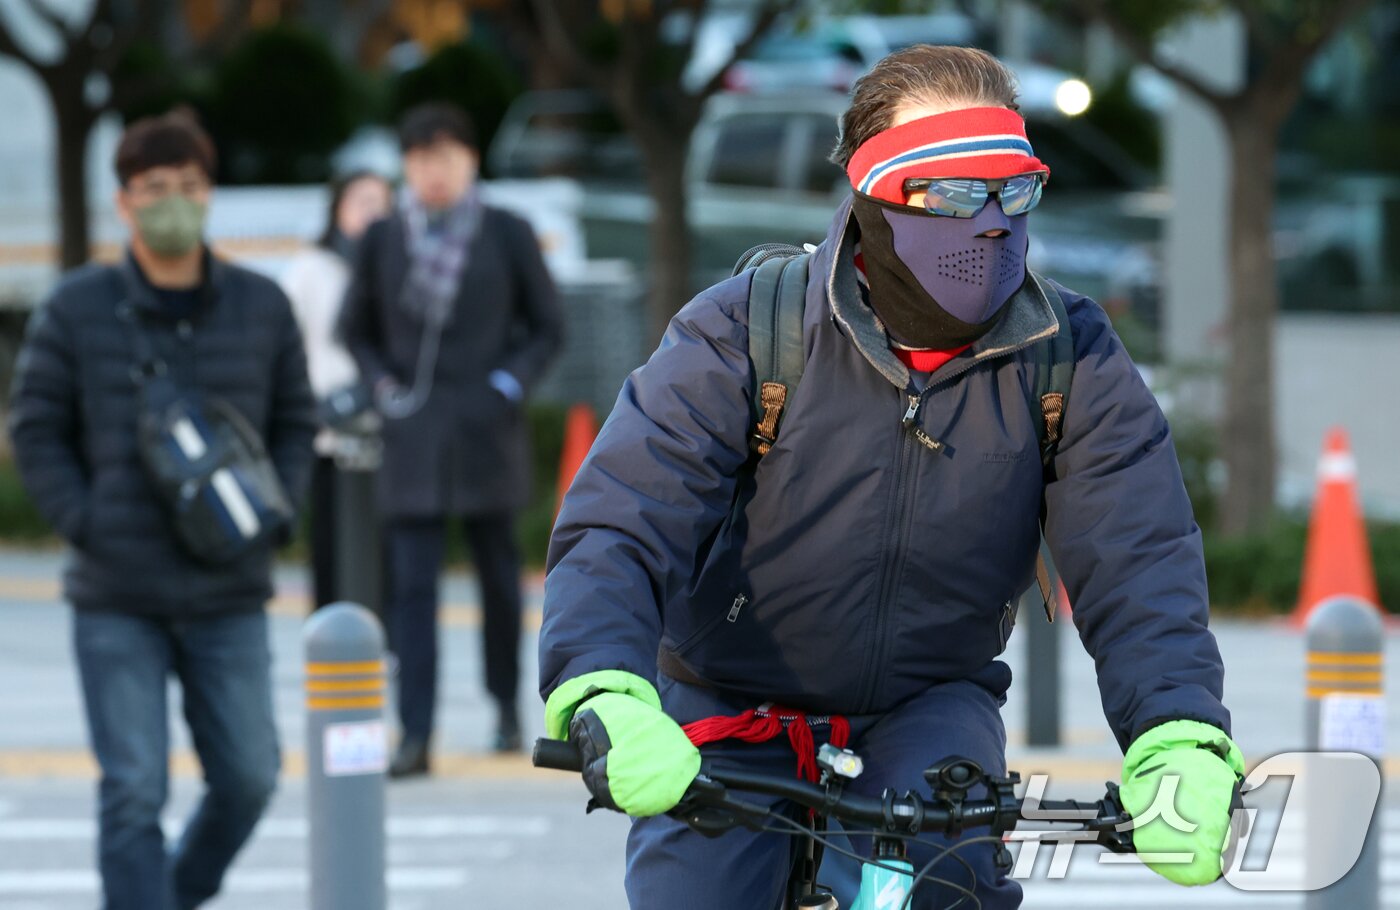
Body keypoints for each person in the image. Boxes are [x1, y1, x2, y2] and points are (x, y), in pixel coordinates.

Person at [539, 46, 1244, 908]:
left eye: (1013, 190)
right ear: (874, 198)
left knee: (941, 887)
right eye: (950, 193)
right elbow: (623, 519)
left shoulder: (1070, 353)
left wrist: (1176, 733)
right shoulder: (745, 330)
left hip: (929, 704)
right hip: (725, 706)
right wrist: (605, 685)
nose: (989, 223)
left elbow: (1140, 557)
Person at [8, 112, 316, 909]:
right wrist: (86, 520)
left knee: (250, 776)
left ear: (210, 195)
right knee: (133, 791)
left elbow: (296, 421)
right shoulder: (78, 307)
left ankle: (171, 897)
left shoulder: (262, 304)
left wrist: (274, 513)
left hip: (229, 589)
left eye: (186, 187)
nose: (171, 203)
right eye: (153, 189)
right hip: (117, 593)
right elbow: (35, 427)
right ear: (122, 203)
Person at [340, 102, 564, 773]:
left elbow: (547, 326)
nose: (434, 172)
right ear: (406, 167)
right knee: (411, 590)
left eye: (447, 157)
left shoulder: (506, 231)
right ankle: (415, 733)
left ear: (471, 161)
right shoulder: (383, 237)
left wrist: (509, 383)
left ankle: (504, 705)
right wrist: (382, 386)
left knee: (499, 582)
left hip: (486, 430)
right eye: (420, 159)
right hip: (412, 436)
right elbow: (357, 329)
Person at [279, 170, 393, 609]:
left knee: (387, 554)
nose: (373, 212)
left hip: (385, 433)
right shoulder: (310, 270)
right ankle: (329, 647)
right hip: (327, 431)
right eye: (362, 200)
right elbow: (286, 345)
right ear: (337, 208)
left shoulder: (397, 268)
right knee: (331, 548)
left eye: (382, 202)